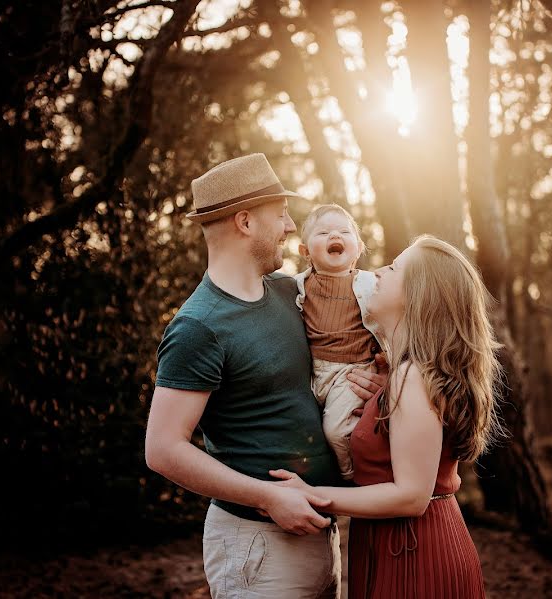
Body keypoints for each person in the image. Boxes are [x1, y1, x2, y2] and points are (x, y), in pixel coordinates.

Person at [144, 153, 385, 599]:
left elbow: (346, 345)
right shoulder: (200, 326)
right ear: (245, 223)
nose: (292, 227)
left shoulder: (292, 293)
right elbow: (161, 449)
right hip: (257, 543)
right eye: (281, 215)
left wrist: (376, 384)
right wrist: (267, 497)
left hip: (321, 535)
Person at [270, 235, 508, 599]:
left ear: (417, 293)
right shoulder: (402, 374)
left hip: (416, 554)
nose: (378, 271)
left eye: (394, 268)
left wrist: (312, 495)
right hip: (392, 542)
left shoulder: (412, 377)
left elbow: (412, 496)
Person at [295, 204, 386, 480]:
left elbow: (394, 324)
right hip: (314, 373)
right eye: (323, 232)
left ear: (358, 248)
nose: (334, 235)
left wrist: (388, 361)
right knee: (311, 435)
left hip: (353, 371)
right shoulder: (297, 286)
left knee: (335, 430)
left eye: (344, 231)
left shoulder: (371, 284)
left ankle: (351, 477)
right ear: (305, 251)